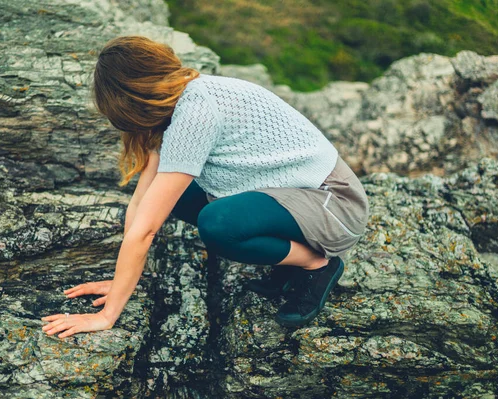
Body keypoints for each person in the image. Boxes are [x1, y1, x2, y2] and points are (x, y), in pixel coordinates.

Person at [41, 36, 369, 338]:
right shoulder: (176, 100)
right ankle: (291, 263)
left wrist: (107, 316)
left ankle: (316, 264)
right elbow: (143, 202)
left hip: (335, 205)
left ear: (134, 101)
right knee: (175, 195)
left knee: (218, 224)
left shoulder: (196, 112)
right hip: (296, 196)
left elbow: (145, 231)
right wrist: (120, 283)